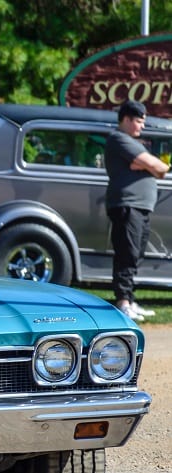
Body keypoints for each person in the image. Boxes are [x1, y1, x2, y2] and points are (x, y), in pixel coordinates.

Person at [104, 99, 170, 321]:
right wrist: (149, 165)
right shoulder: (119, 139)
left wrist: (146, 164)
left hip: (140, 207)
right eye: (139, 121)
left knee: (135, 254)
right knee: (127, 253)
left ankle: (129, 300)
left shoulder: (133, 143)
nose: (142, 126)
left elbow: (159, 168)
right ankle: (122, 302)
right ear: (126, 119)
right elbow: (159, 167)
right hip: (127, 204)